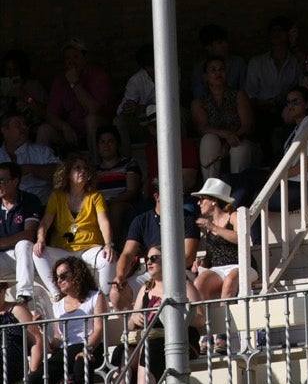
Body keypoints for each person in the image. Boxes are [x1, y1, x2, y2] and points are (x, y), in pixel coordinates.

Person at [121, 244, 203, 384]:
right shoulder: (146, 289)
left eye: (154, 258)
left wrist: (175, 315)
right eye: (147, 259)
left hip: (181, 341)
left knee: (151, 347)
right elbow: (130, 324)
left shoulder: (183, 285)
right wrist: (135, 318)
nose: (149, 263)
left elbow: (200, 318)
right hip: (151, 339)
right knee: (122, 351)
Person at [25, 254, 105, 384]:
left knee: (80, 364)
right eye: (57, 278)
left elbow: (99, 328)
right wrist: (43, 328)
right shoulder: (58, 305)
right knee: (34, 380)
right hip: (65, 351)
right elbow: (56, 343)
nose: (59, 280)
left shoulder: (95, 296)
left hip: (91, 346)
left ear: (77, 274)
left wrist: (88, 348)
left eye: (63, 275)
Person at [109, 179, 199, 312]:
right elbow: (127, 254)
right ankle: (133, 327)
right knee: (116, 294)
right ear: (156, 197)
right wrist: (120, 276)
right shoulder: (141, 221)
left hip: (179, 273)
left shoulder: (187, 219)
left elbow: (188, 257)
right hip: (151, 272)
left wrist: (163, 267)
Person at [32, 155, 115, 297]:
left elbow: (104, 222)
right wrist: (40, 239)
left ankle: (105, 297)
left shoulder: (95, 196)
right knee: (37, 253)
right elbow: (45, 222)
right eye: (77, 168)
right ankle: (57, 294)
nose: (82, 171)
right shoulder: (57, 196)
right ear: (68, 174)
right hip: (63, 250)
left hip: (90, 247)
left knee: (108, 258)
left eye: (85, 169)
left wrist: (108, 244)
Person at [191, 55, 255, 180]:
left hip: (239, 139)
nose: (218, 73)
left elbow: (247, 125)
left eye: (221, 69)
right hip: (216, 141)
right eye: (213, 70)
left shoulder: (238, 95)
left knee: (239, 150)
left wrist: (228, 142)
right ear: (205, 77)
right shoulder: (199, 102)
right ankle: (210, 190)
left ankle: (239, 190)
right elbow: (202, 127)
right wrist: (225, 135)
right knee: (208, 139)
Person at [244, 16, 302, 153]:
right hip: (261, 111)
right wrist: (266, 104)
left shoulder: (295, 62)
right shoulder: (257, 62)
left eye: (280, 30)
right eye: (273, 31)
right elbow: (250, 95)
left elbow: (304, 80)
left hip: (288, 109)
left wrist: (294, 44)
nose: (276, 34)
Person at [44, 39, 114, 152]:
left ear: (85, 58)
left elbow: (93, 109)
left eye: (76, 57)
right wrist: (64, 126)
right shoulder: (60, 80)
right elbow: (50, 115)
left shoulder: (98, 76)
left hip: (100, 130)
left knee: (90, 120)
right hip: (73, 132)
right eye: (67, 58)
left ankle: (96, 165)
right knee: (45, 130)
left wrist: (74, 83)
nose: (71, 62)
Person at [191, 177, 241, 302]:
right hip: (218, 268)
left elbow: (240, 238)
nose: (199, 203)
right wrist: (202, 262)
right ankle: (204, 319)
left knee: (229, 282)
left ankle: (226, 320)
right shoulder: (209, 224)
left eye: (202, 199)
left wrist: (213, 227)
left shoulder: (233, 216)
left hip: (240, 265)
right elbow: (212, 253)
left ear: (214, 200)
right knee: (198, 283)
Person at [0, 158, 40, 304]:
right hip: (2, 257)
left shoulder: (29, 200)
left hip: (23, 255)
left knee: (23, 244)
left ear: (15, 181)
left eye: (2, 180)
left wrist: (2, 242)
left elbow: (29, 234)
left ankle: (24, 295)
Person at [0, 277, 43, 384]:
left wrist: (33, 371)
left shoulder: (16, 309)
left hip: (13, 365)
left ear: (3, 290)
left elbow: (36, 341)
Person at [92, 125, 140, 242]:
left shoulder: (129, 163)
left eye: (110, 141)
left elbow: (131, 191)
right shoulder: (94, 170)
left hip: (123, 204)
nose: (106, 145)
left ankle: (114, 245)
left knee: (115, 209)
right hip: (100, 205)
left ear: (118, 144)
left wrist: (109, 202)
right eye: (102, 142)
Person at [0, 111, 57, 205]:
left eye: (25, 124)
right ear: (5, 131)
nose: (24, 128)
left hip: (42, 208)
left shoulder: (42, 151)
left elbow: (61, 174)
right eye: (18, 124)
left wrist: (30, 169)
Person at [189, 26, 246, 101]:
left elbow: (245, 92)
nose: (225, 45)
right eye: (219, 43)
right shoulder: (199, 69)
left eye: (225, 41)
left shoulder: (238, 63)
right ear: (208, 47)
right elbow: (199, 97)